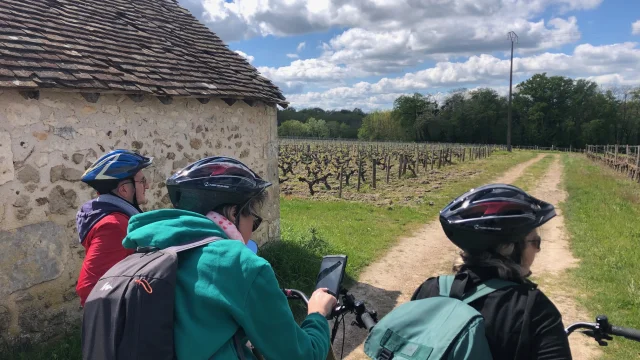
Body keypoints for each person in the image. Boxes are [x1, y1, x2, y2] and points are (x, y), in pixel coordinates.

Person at [121, 156, 337, 360]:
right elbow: (299, 356)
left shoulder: (152, 250)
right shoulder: (240, 264)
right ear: (234, 213)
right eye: (253, 220)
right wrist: (317, 314)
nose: (252, 231)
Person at [411, 184, 572, 360]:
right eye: (535, 241)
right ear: (509, 248)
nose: (538, 250)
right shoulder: (534, 310)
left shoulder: (429, 290)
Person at [75, 149, 152, 306]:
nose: (148, 186)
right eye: (142, 181)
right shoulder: (115, 225)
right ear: (124, 189)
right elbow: (88, 288)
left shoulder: (113, 216)